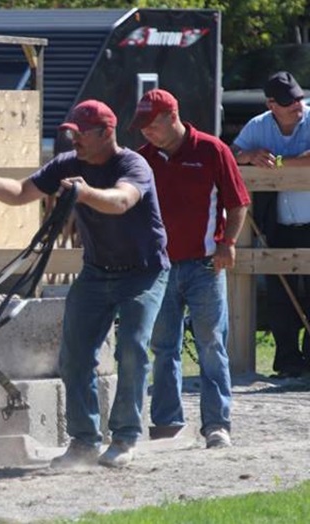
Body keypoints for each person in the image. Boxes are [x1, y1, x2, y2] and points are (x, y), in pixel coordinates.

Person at [0, 100, 169, 468]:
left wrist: (84, 192)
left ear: (106, 133)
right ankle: (84, 441)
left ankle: (124, 438)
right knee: (74, 356)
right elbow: (21, 192)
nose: (72, 139)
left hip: (143, 272)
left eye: (80, 133)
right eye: (71, 133)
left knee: (132, 348)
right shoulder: (67, 165)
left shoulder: (133, 165)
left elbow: (121, 201)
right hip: (96, 272)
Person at [132, 89, 250, 449]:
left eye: (151, 125)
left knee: (211, 344)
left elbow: (237, 202)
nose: (145, 133)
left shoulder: (213, 150)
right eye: (142, 127)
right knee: (162, 345)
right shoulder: (142, 160)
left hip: (205, 265)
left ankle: (217, 424)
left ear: (172, 117)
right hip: (160, 268)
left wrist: (227, 244)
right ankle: (167, 423)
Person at [231, 71, 310, 379]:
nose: (297, 106)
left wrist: (277, 163)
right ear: (272, 104)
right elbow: (233, 154)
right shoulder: (257, 126)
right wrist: (249, 155)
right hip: (277, 223)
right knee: (281, 295)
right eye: (289, 102)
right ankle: (288, 362)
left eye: (300, 98)